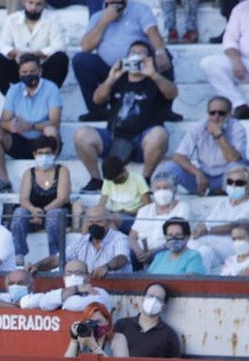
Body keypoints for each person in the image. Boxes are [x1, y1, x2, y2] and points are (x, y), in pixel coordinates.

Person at [72, 40, 175, 192]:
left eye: (141, 53)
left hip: (143, 140)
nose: (136, 56)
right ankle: (96, 180)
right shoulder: (118, 79)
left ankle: (145, 180)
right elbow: (97, 99)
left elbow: (172, 93)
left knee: (159, 133)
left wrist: (153, 74)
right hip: (114, 137)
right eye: (133, 52)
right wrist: (112, 78)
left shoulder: (155, 80)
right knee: (81, 134)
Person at [72, 0, 172, 122]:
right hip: (111, 71)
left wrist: (159, 51)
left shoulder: (139, 9)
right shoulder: (98, 16)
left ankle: (165, 110)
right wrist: (104, 21)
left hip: (140, 68)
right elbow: (86, 47)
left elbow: (152, 31)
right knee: (81, 60)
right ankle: (97, 110)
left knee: (164, 54)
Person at [0, 53, 62, 193]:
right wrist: (11, 125)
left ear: (40, 71)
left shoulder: (51, 89)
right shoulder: (14, 90)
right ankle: (4, 181)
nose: (28, 75)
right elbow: (3, 121)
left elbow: (54, 122)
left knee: (51, 131)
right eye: (24, 72)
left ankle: (51, 179)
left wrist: (30, 126)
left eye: (32, 71)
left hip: (42, 141)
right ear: (19, 73)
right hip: (20, 139)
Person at [200, 0, 249, 121]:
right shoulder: (240, 9)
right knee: (208, 63)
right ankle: (239, 106)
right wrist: (236, 61)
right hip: (244, 63)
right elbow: (229, 40)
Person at [157, 97, 247, 196]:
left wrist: (219, 136)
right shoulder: (198, 127)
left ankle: (226, 193)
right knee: (170, 167)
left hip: (226, 178)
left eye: (221, 113)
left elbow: (234, 159)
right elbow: (179, 156)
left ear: (229, 114)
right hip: (203, 178)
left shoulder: (237, 128)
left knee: (237, 167)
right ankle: (166, 204)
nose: (216, 117)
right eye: (212, 113)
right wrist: (197, 173)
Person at [187, 163, 249, 272]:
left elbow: (237, 227)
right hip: (213, 243)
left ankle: (194, 284)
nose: (233, 185)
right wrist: (199, 229)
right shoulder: (223, 203)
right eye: (230, 182)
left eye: (239, 183)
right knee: (189, 245)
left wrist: (208, 230)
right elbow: (207, 223)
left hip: (237, 245)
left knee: (204, 252)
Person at [10, 135, 70, 269]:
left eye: (47, 153)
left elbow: (62, 198)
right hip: (33, 214)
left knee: (54, 215)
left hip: (57, 211)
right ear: (34, 154)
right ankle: (19, 255)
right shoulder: (29, 173)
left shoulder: (62, 171)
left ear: (54, 153)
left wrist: (42, 212)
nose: (44, 156)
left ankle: (55, 257)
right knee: (19, 213)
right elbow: (23, 199)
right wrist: (33, 211)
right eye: (40, 153)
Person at [0, 0, 69, 95]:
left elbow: (59, 47)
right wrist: (16, 53)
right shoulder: (12, 19)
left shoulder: (53, 19)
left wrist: (34, 55)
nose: (34, 8)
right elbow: (2, 46)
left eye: (38, 4)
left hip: (42, 69)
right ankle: (12, 97)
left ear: (44, 4)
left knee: (61, 59)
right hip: (19, 68)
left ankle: (45, 97)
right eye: (31, 3)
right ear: (24, 2)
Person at [37, 205, 130, 277]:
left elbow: (122, 258)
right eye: (90, 222)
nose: (94, 225)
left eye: (99, 222)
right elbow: (57, 259)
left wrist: (107, 267)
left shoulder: (119, 238)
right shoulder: (82, 241)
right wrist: (36, 266)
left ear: (109, 223)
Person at [128, 171, 190, 271]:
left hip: (166, 249)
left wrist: (151, 253)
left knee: (162, 255)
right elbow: (132, 235)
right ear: (153, 190)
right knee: (131, 253)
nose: (162, 191)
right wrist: (137, 250)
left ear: (173, 190)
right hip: (141, 251)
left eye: (166, 188)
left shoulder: (182, 208)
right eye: (158, 188)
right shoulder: (144, 210)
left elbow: (178, 236)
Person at [114, 282, 182, 357]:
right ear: (143, 299)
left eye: (158, 299)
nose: (153, 301)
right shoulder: (122, 325)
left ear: (163, 305)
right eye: (151, 296)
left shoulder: (169, 335)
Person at [34, 258, 112, 311]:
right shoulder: (60, 291)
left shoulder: (99, 292)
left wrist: (63, 300)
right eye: (69, 273)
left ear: (87, 277)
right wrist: (76, 289)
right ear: (64, 277)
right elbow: (43, 303)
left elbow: (76, 305)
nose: (73, 276)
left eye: (78, 273)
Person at [98, 155, 149, 233]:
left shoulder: (137, 179)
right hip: (114, 215)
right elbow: (101, 204)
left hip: (134, 217)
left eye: (119, 179)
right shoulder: (108, 181)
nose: (117, 183)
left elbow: (149, 206)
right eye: (114, 181)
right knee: (92, 217)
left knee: (110, 219)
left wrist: (131, 213)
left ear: (124, 170)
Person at [63, 302, 129, 357]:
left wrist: (94, 347)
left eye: (98, 321)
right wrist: (74, 340)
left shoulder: (117, 339)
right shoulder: (83, 338)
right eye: (90, 322)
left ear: (107, 321)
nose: (94, 325)